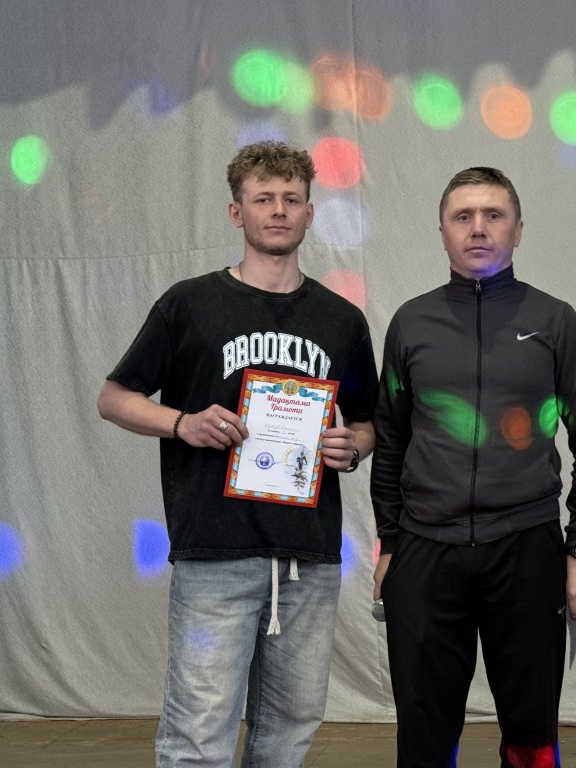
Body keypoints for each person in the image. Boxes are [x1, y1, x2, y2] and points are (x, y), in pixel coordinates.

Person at [98, 141, 378, 768]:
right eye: (263, 199)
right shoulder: (189, 304)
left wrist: (351, 446)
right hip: (214, 552)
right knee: (200, 731)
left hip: (308, 557)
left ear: (310, 214)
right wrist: (182, 423)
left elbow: (367, 424)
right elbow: (114, 398)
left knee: (291, 727)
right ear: (236, 212)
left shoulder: (341, 320)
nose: (278, 211)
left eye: (291, 199)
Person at [370, 167, 576, 768]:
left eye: (493, 215)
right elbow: (392, 440)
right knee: (424, 737)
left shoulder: (555, 321)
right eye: (463, 217)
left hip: (526, 548)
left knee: (531, 735)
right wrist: (390, 545)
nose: (478, 229)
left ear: (518, 230)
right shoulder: (411, 323)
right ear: (443, 232)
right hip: (426, 550)